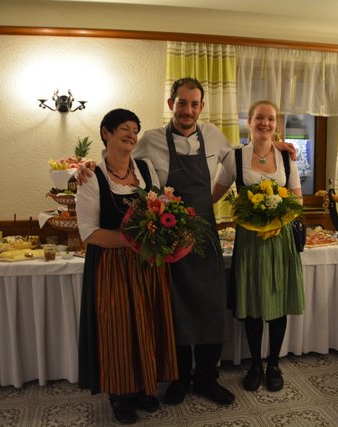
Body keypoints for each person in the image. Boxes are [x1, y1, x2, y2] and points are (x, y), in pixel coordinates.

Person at [77, 78, 296, 406]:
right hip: (169, 239)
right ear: (171, 105)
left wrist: (278, 144)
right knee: (175, 310)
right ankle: (179, 379)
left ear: (202, 107)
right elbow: (118, 160)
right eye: (182, 103)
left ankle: (207, 378)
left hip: (205, 237)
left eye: (194, 104)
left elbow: (246, 155)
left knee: (210, 310)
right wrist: (86, 165)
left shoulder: (214, 136)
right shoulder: (149, 141)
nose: (188, 110)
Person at [76, 109, 178, 424]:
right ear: (105, 132)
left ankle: (144, 387)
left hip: (148, 264)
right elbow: (89, 233)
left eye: (135, 130)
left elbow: (163, 208)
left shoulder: (146, 169)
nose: (132, 135)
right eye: (124, 128)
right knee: (118, 329)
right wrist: (133, 240)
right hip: (112, 265)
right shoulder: (91, 176)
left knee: (147, 323)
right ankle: (119, 396)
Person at [211, 100, 305, 392]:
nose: (265, 123)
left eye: (271, 119)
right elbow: (213, 195)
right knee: (252, 304)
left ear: (276, 124)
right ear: (249, 122)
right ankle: (255, 364)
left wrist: (277, 212)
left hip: (279, 238)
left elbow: (298, 199)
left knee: (277, 304)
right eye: (259, 118)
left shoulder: (287, 157)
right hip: (249, 241)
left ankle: (274, 364)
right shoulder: (234, 157)